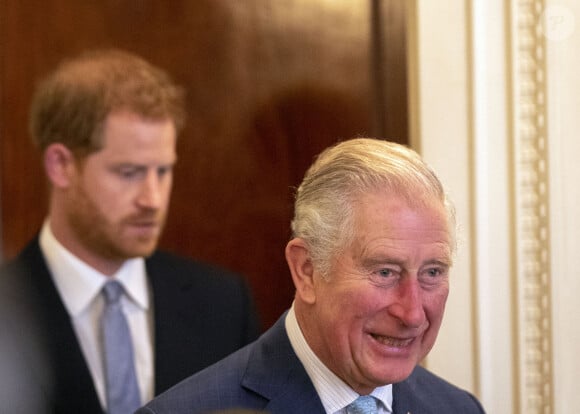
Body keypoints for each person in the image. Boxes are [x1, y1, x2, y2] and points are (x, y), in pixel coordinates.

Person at [136, 138, 486, 414]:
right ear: (307, 270)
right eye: (385, 272)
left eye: (432, 272)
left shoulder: (458, 408)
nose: (412, 314)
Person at [0, 49, 260, 414]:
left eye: (163, 171)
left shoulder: (224, 306)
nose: (152, 199)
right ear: (61, 165)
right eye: (128, 173)